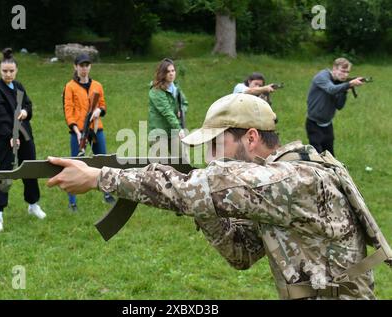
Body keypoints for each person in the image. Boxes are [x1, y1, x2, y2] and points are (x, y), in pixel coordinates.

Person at [46, 93, 386, 300]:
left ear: (250, 138)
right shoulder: (271, 186)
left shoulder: (293, 180)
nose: (210, 158)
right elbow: (241, 252)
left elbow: (208, 186)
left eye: (215, 145)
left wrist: (100, 178)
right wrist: (203, 205)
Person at [0, 48, 46, 232]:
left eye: (11, 71)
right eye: (5, 71)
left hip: (25, 135)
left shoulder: (18, 86)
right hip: (6, 139)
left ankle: (33, 204)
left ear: (16, 70)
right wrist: (10, 136)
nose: (8, 74)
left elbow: (27, 104)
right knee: (4, 173)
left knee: (31, 168)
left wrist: (26, 112)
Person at [63, 53, 115, 210]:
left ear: (90, 67)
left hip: (96, 129)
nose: (84, 69)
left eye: (86, 65)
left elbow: (103, 105)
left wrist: (99, 110)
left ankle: (107, 193)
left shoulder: (97, 85)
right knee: (75, 164)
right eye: (81, 66)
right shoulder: (70, 86)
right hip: (78, 131)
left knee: (103, 162)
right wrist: (76, 131)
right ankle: (72, 201)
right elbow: (68, 110)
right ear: (75, 67)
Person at [306, 57, 365, 156]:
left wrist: (345, 91)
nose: (345, 75)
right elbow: (331, 89)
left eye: (347, 72)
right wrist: (349, 84)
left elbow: (339, 106)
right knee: (317, 158)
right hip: (314, 124)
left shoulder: (339, 84)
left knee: (330, 156)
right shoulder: (322, 76)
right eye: (342, 71)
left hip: (327, 125)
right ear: (334, 68)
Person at [148, 58, 188, 157]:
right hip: (159, 132)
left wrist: (181, 110)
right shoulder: (156, 91)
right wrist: (179, 129)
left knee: (182, 161)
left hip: (173, 130)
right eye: (168, 71)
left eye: (173, 71)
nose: (171, 74)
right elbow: (167, 112)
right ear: (162, 73)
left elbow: (184, 103)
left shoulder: (176, 88)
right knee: (161, 166)